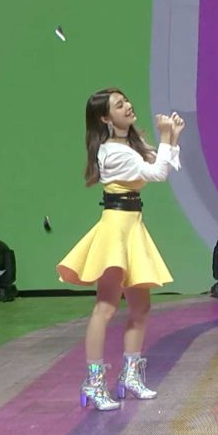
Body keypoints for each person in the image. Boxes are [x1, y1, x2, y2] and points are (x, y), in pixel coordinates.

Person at [57, 88, 184, 410]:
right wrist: (166, 137)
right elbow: (158, 173)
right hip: (115, 230)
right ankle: (94, 382)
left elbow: (163, 162)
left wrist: (172, 137)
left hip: (132, 227)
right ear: (105, 117)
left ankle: (130, 376)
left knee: (141, 307)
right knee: (106, 307)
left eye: (126, 100)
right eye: (118, 104)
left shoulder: (131, 145)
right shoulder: (112, 152)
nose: (127, 105)